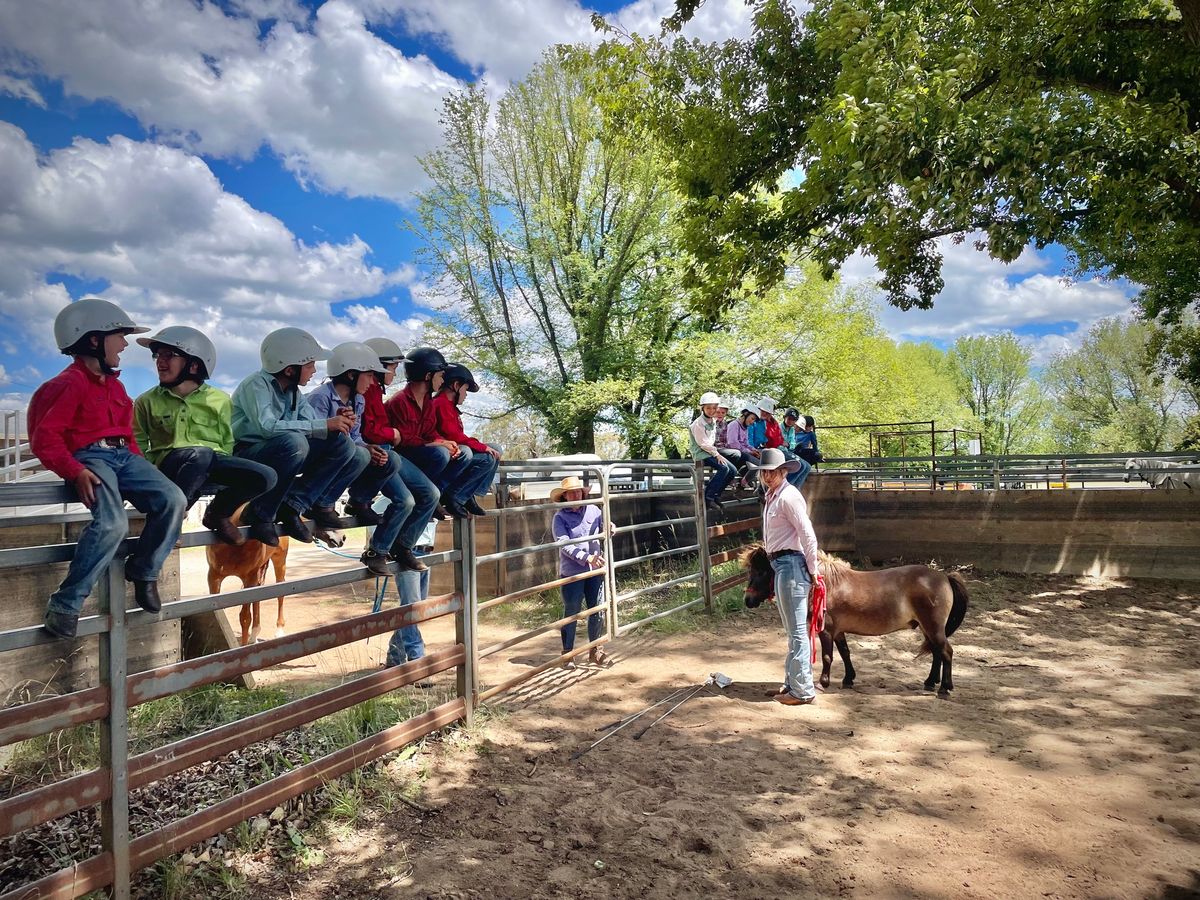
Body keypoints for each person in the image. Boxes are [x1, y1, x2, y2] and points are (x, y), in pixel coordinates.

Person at [29, 298, 186, 638]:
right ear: (94, 339)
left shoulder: (115, 385)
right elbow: (46, 438)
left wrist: (143, 472)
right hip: (91, 458)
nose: (125, 344)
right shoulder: (66, 385)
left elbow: (127, 436)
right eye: (119, 335)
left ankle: (145, 570)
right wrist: (73, 470)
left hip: (123, 457)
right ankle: (65, 605)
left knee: (172, 498)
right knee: (112, 524)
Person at [133, 326, 276, 546]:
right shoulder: (146, 401)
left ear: (194, 364)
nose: (160, 361)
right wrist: (148, 472)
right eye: (157, 355)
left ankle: (218, 513)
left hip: (212, 462)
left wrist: (214, 469)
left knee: (266, 476)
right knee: (200, 455)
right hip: (171, 465)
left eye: (168, 355)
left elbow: (227, 440)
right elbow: (138, 441)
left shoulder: (220, 399)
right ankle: (171, 519)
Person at [231, 327, 367, 545]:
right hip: (248, 454)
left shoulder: (294, 392)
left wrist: (335, 422)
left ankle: (293, 506)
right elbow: (267, 427)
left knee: (343, 444)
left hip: (283, 453)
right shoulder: (256, 384)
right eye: (310, 364)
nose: (314, 370)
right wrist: (323, 424)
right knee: (294, 441)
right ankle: (260, 513)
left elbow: (313, 424)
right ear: (289, 369)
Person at [307, 342, 427, 576]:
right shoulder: (320, 398)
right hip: (323, 464)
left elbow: (356, 437)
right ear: (352, 375)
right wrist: (348, 437)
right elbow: (313, 437)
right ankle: (321, 503)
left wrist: (370, 447)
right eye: (370, 375)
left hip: (347, 457)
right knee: (357, 451)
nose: (373, 381)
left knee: (389, 459)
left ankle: (360, 501)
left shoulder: (358, 400)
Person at [358, 336, 441, 571]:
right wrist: (392, 432)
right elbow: (367, 431)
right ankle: (377, 551)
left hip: (389, 453)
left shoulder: (375, 392)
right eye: (392, 368)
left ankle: (403, 547)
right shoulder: (368, 392)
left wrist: (392, 434)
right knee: (405, 500)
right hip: (381, 455)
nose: (395, 374)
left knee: (431, 494)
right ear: (379, 366)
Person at [749, 447, 824, 706]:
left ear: (783, 471)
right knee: (793, 630)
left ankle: (802, 690)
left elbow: (808, 535)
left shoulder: (788, 497)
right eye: (764, 472)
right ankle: (793, 684)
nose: (767, 476)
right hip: (782, 564)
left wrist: (813, 570)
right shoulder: (774, 496)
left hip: (791, 563)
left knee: (797, 631)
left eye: (772, 471)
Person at [384, 347, 474, 519]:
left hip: (421, 452)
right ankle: (425, 494)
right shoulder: (399, 401)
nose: (442, 381)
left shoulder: (428, 403)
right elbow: (404, 440)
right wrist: (437, 444)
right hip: (403, 455)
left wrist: (444, 442)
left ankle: (437, 494)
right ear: (428, 376)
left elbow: (430, 432)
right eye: (440, 376)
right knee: (440, 454)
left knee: (460, 453)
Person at [551, 475, 610, 668]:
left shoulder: (594, 510)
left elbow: (604, 526)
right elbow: (564, 545)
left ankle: (596, 649)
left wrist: (610, 527)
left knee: (597, 609)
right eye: (571, 493)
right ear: (565, 496)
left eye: (579, 491)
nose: (576, 495)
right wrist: (587, 558)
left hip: (594, 569)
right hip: (573, 572)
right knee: (572, 612)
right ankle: (567, 653)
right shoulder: (559, 517)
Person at [430, 363, 501, 516]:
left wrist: (482, 446)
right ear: (456, 385)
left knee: (496, 448)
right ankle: (456, 495)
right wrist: (482, 447)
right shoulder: (441, 403)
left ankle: (468, 495)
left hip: (454, 450)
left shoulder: (448, 406)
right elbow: (453, 435)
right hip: (449, 453)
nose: (466, 394)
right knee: (487, 458)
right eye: (465, 389)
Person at [751, 397, 810, 489]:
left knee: (806, 466)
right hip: (770, 450)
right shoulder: (756, 422)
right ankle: (782, 488)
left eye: (767, 412)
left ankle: (792, 489)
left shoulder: (772, 423)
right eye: (763, 411)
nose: (765, 414)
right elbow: (771, 440)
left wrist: (785, 443)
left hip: (775, 449)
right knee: (800, 465)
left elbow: (781, 440)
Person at [725, 401, 761, 488]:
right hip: (734, 454)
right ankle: (744, 481)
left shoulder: (745, 428)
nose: (753, 422)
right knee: (758, 463)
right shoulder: (734, 425)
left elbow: (746, 443)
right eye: (752, 418)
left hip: (742, 453)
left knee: (762, 456)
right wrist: (750, 452)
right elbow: (733, 444)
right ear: (745, 414)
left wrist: (754, 450)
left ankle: (744, 477)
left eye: (754, 420)